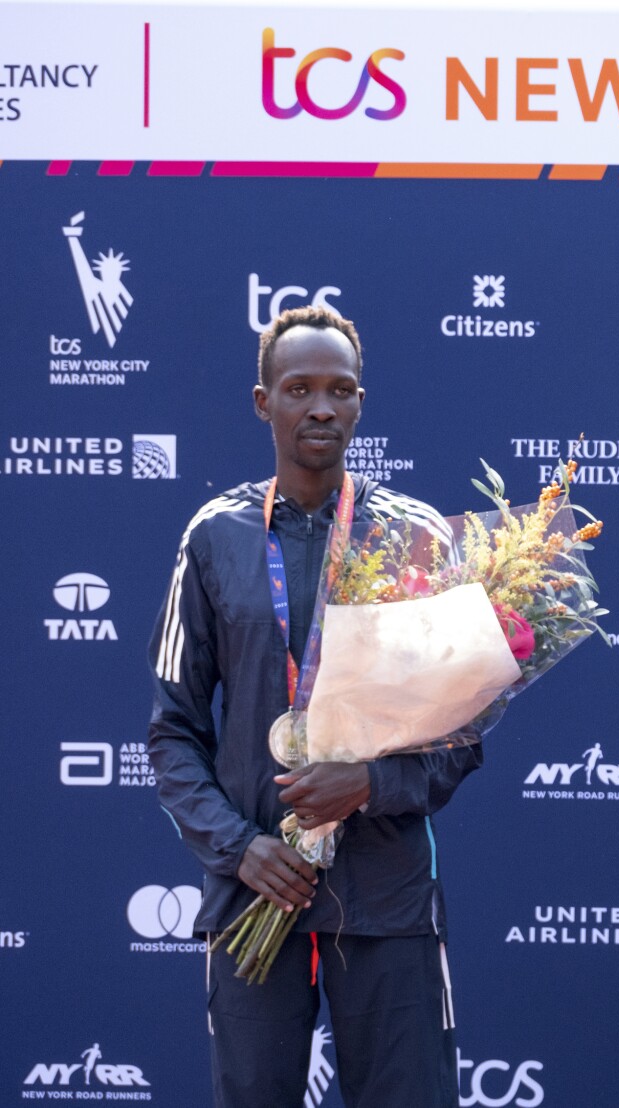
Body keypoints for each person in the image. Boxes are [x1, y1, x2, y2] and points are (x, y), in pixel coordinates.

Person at [148, 305, 476, 1108]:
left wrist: (371, 783)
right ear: (264, 402)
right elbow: (173, 732)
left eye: (339, 390)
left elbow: (462, 735)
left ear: (361, 402)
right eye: (299, 389)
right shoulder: (215, 537)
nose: (321, 407)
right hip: (256, 893)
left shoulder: (415, 538)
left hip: (388, 898)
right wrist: (240, 849)